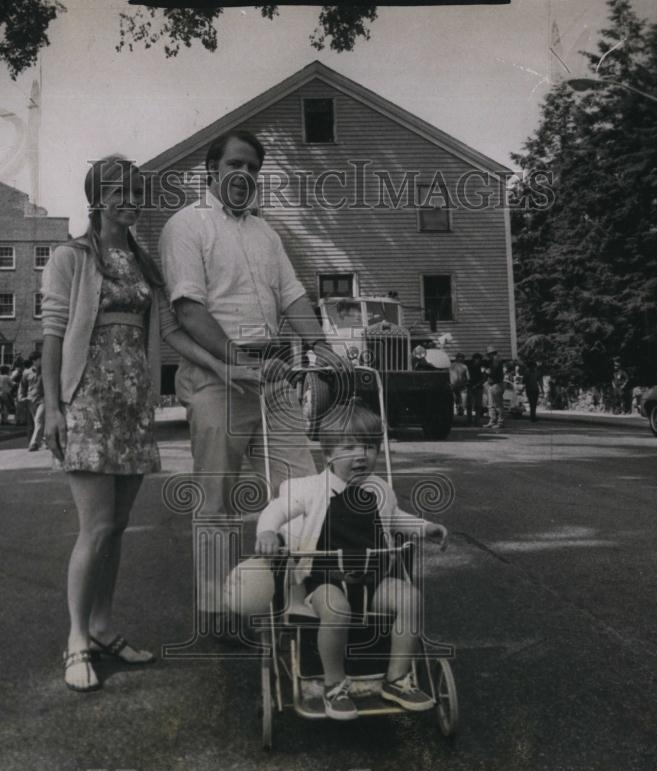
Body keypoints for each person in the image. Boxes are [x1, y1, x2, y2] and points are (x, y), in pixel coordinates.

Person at [41, 155, 259, 692]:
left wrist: (225, 366)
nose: (130, 199)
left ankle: (102, 627)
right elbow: (51, 334)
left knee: (116, 529)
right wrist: (51, 405)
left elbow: (173, 335)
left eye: (136, 191)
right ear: (96, 197)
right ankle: (75, 640)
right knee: (93, 529)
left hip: (133, 405)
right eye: (119, 191)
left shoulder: (142, 263)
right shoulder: (71, 257)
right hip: (87, 402)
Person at [159, 129, 345, 630]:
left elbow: (292, 295)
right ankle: (218, 612)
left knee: (304, 490)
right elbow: (188, 310)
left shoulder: (266, 232)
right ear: (212, 172)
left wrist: (323, 347)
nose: (244, 176)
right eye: (235, 166)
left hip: (274, 374)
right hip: (215, 376)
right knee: (217, 498)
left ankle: (298, 596)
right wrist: (236, 361)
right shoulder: (187, 226)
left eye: (253, 170)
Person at [255, 402, 448, 720]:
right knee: (335, 608)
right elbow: (277, 509)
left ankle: (396, 678)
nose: (361, 455)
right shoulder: (308, 490)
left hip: (374, 578)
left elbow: (395, 519)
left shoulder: (380, 490)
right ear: (328, 455)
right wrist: (267, 532)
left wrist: (426, 528)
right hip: (325, 579)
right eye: (349, 447)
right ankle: (334, 683)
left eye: (370, 447)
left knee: (410, 598)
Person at [27, 353, 46, 451]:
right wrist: (21, 397)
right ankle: (45, 440)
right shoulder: (27, 372)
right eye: (40, 359)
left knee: (38, 420)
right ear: (34, 361)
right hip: (31, 399)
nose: (41, 361)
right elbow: (23, 386)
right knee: (37, 422)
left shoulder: (46, 371)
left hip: (43, 399)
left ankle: (34, 443)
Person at [484, 346, 505, 429]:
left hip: (496, 385)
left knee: (497, 405)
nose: (488, 357)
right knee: (492, 405)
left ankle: (500, 422)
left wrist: (486, 371)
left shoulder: (496, 360)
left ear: (491, 354)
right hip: (494, 385)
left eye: (488, 355)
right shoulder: (496, 360)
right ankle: (492, 421)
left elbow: (492, 372)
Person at [465, 352, 484, 426]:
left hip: (478, 387)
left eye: (479, 359)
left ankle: (477, 421)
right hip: (470, 387)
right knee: (469, 405)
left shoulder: (482, 367)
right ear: (474, 359)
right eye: (476, 359)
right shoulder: (470, 367)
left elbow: (484, 378)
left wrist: (478, 384)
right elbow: (467, 377)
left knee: (478, 405)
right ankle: (469, 421)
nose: (478, 360)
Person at [449, 353, 469, 418]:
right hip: (459, 385)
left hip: (454, 385)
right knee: (460, 400)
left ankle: (459, 410)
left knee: (455, 400)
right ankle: (460, 409)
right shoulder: (464, 366)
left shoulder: (451, 365)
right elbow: (468, 377)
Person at [521, 357, 541, 422]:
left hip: (534, 389)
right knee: (532, 404)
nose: (534, 367)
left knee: (533, 404)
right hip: (531, 389)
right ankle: (533, 417)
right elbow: (524, 381)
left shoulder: (534, 371)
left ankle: (533, 416)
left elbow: (538, 380)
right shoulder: (528, 372)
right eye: (533, 366)